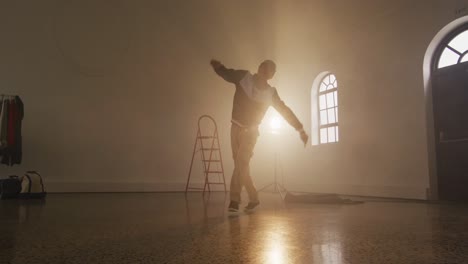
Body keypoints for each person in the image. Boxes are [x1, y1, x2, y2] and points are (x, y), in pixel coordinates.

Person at [210, 59, 308, 212]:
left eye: (269, 71)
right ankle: (254, 198)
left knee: (241, 163)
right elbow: (228, 74)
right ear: (259, 67)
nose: (265, 72)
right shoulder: (244, 77)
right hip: (235, 127)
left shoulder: (271, 93)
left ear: (272, 75)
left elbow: (284, 110)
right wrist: (219, 68)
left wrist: (300, 128)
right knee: (240, 166)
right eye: (264, 68)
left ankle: (234, 200)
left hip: (252, 132)